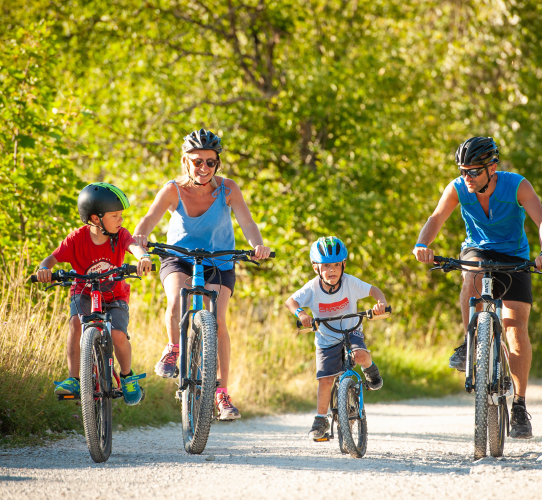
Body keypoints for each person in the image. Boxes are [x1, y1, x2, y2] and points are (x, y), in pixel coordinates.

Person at [412, 136, 542, 439]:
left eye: (474, 171)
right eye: (463, 171)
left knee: (516, 329)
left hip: (514, 257)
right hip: (478, 250)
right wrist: (422, 244)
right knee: (471, 275)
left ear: (492, 167)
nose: (467, 178)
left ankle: (518, 404)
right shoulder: (458, 189)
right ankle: (469, 343)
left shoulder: (517, 186)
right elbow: (436, 218)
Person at [132, 129, 271, 421]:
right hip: (179, 258)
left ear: (217, 163)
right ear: (185, 161)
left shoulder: (228, 189)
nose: (204, 168)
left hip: (219, 261)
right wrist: (141, 236)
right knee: (176, 302)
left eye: (210, 162)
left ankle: (221, 391)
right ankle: (173, 348)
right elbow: (149, 218)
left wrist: (257, 245)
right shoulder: (173, 189)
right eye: (197, 161)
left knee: (218, 321)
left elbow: (247, 221)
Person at [36, 182, 152, 406]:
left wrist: (143, 257)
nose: (121, 219)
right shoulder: (76, 239)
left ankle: (127, 377)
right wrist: (44, 269)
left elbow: (134, 247)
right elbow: (52, 258)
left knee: (118, 335)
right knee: (75, 325)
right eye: (115, 215)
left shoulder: (121, 236)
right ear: (96, 218)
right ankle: (74, 378)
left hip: (114, 296)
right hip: (84, 292)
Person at [285, 236, 387, 441]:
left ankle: (370, 370)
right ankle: (321, 419)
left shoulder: (350, 282)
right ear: (316, 268)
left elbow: (374, 290)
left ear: (343, 265)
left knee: (359, 355)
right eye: (326, 266)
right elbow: (291, 301)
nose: (331, 270)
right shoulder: (312, 288)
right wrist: (302, 314)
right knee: (325, 380)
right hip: (326, 338)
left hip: (352, 330)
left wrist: (380, 302)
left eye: (336, 265)